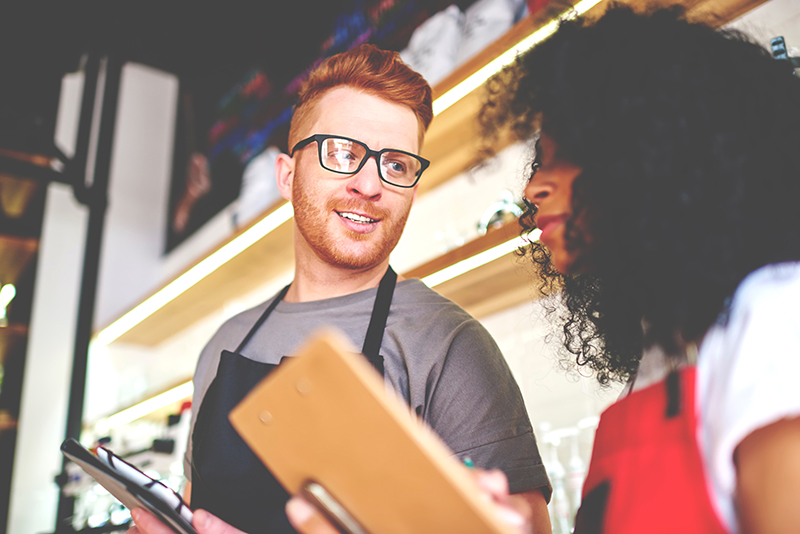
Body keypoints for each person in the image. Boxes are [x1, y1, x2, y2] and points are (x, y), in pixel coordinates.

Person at [282, 4, 800, 534]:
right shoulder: (660, 359)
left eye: (566, 155)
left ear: (665, 154)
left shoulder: (777, 321)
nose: (533, 188)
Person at [129, 44, 552, 534]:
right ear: (288, 176)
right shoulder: (224, 344)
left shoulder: (448, 346)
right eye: (343, 153)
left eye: (395, 165)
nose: (370, 185)